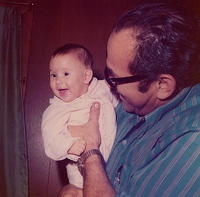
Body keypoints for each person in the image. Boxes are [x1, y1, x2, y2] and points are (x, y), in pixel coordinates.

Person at [59, 2, 200, 197]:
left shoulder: (192, 145)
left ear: (162, 85)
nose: (108, 84)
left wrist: (91, 152)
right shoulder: (129, 106)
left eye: (115, 77)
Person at [41, 43, 117, 188]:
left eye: (66, 74)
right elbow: (50, 141)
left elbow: (119, 98)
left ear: (86, 76)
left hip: (114, 164)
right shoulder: (57, 109)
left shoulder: (101, 88)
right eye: (53, 75)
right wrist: (68, 146)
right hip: (82, 176)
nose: (58, 81)